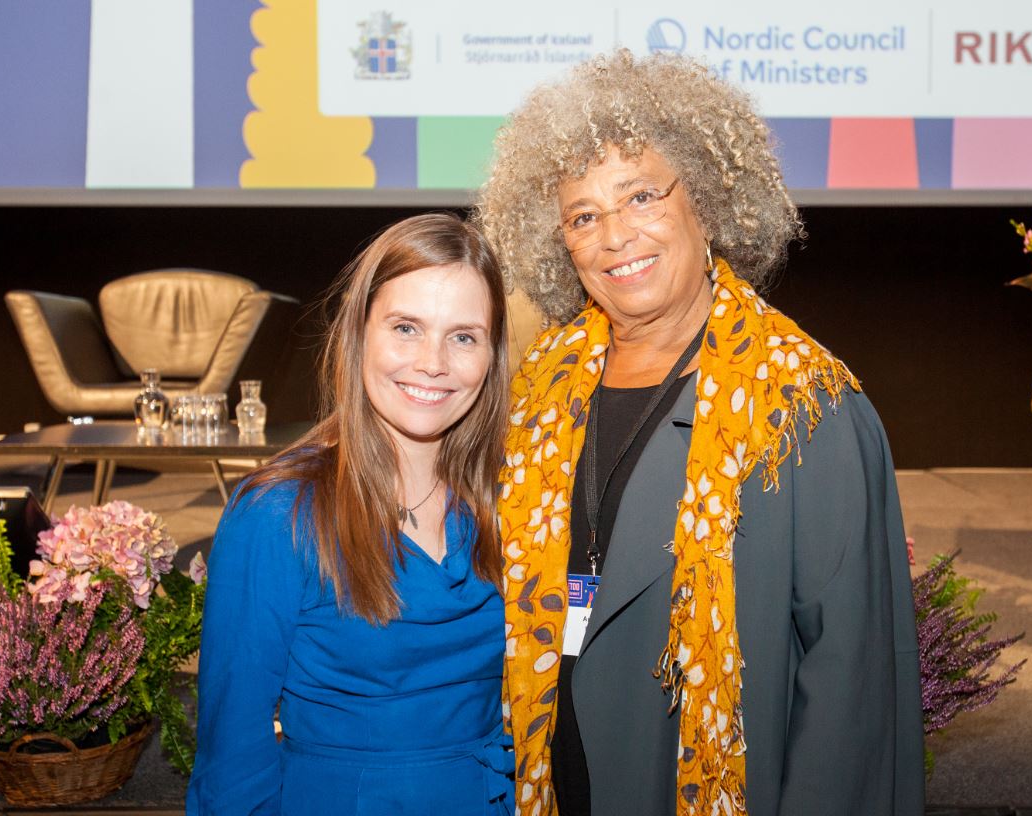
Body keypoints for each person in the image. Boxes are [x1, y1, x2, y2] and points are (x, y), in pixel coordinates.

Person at [476, 50, 924, 815]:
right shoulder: (541, 386)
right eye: (583, 216)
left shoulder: (801, 405)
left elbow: (850, 687)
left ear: (708, 204)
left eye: (641, 195)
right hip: (545, 782)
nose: (615, 236)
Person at [186, 213, 514, 815]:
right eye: (406, 328)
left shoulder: (506, 499)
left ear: (492, 355)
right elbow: (233, 753)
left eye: (464, 336)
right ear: (359, 334)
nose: (433, 362)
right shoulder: (278, 512)